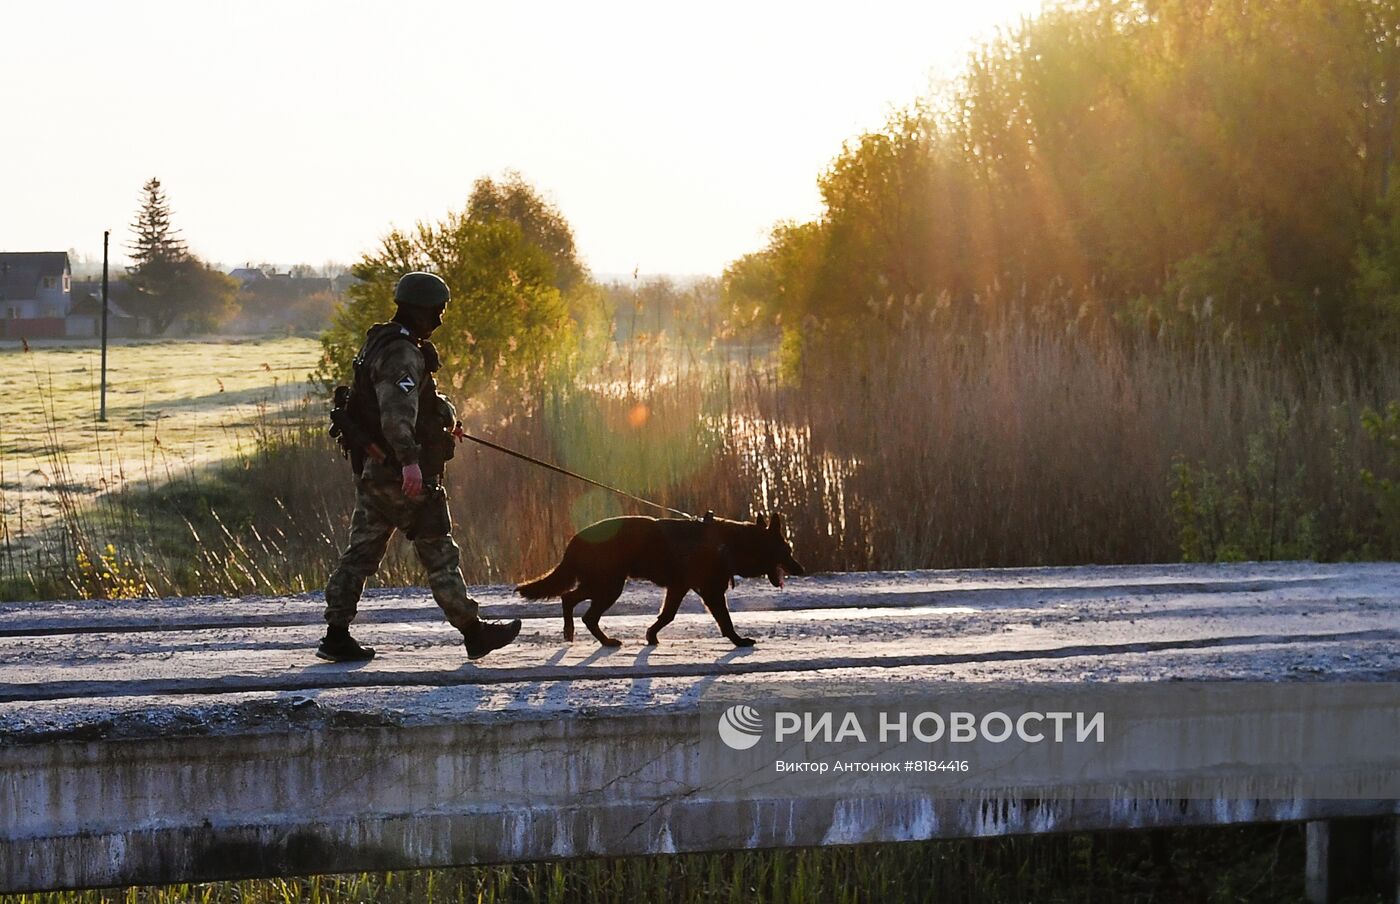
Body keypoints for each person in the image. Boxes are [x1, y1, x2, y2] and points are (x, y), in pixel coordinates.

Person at [318, 271, 522, 662]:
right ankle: (473, 631)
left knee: (360, 553)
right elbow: (396, 415)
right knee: (439, 550)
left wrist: (443, 418)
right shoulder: (402, 353)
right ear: (421, 309)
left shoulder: (384, 341)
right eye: (438, 311)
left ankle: (336, 633)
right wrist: (411, 463)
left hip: (376, 473)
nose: (441, 320)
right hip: (401, 475)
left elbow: (415, 401)